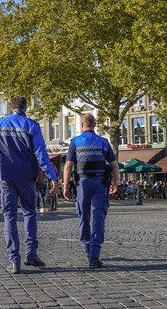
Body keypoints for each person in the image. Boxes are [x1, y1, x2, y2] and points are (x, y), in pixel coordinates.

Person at [0, 96, 57, 274]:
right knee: (30, 212)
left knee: (9, 216)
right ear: (25, 108)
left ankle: (14, 260)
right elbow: (41, 153)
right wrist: (52, 176)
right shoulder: (31, 125)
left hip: (6, 177)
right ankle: (31, 253)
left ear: (10, 107)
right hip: (26, 176)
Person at [63, 114, 119, 269]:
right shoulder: (104, 142)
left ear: (82, 125)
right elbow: (114, 165)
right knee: (98, 216)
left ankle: (86, 247)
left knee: (83, 216)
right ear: (95, 125)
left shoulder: (75, 142)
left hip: (83, 182)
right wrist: (115, 183)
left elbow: (68, 166)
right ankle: (95, 255)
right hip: (100, 183)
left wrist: (65, 186)